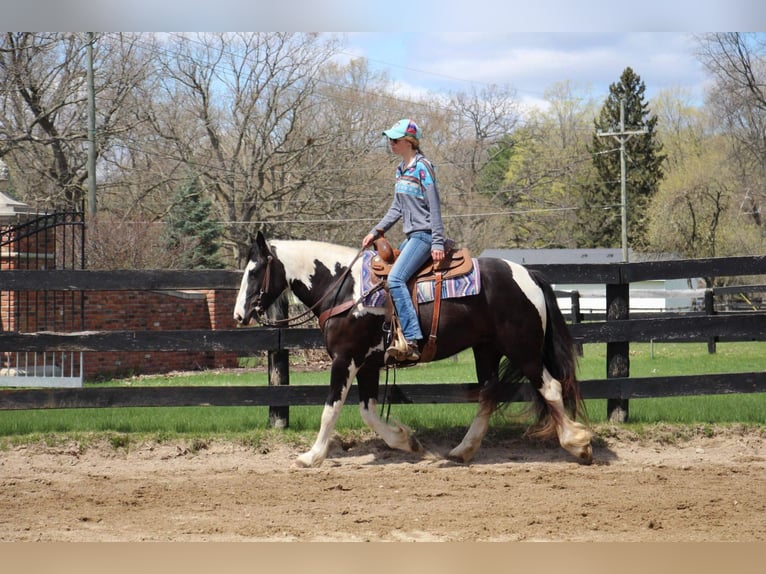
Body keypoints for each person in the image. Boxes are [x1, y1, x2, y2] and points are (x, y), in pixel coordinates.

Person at [362, 118, 446, 362]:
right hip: (411, 237)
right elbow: (396, 208)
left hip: (425, 235)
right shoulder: (401, 170)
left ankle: (411, 340)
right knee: (386, 276)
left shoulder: (423, 167)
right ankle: (392, 335)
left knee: (397, 279)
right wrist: (376, 230)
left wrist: (438, 241)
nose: (391, 143)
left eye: (395, 139)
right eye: (390, 139)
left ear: (409, 142)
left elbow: (435, 206)